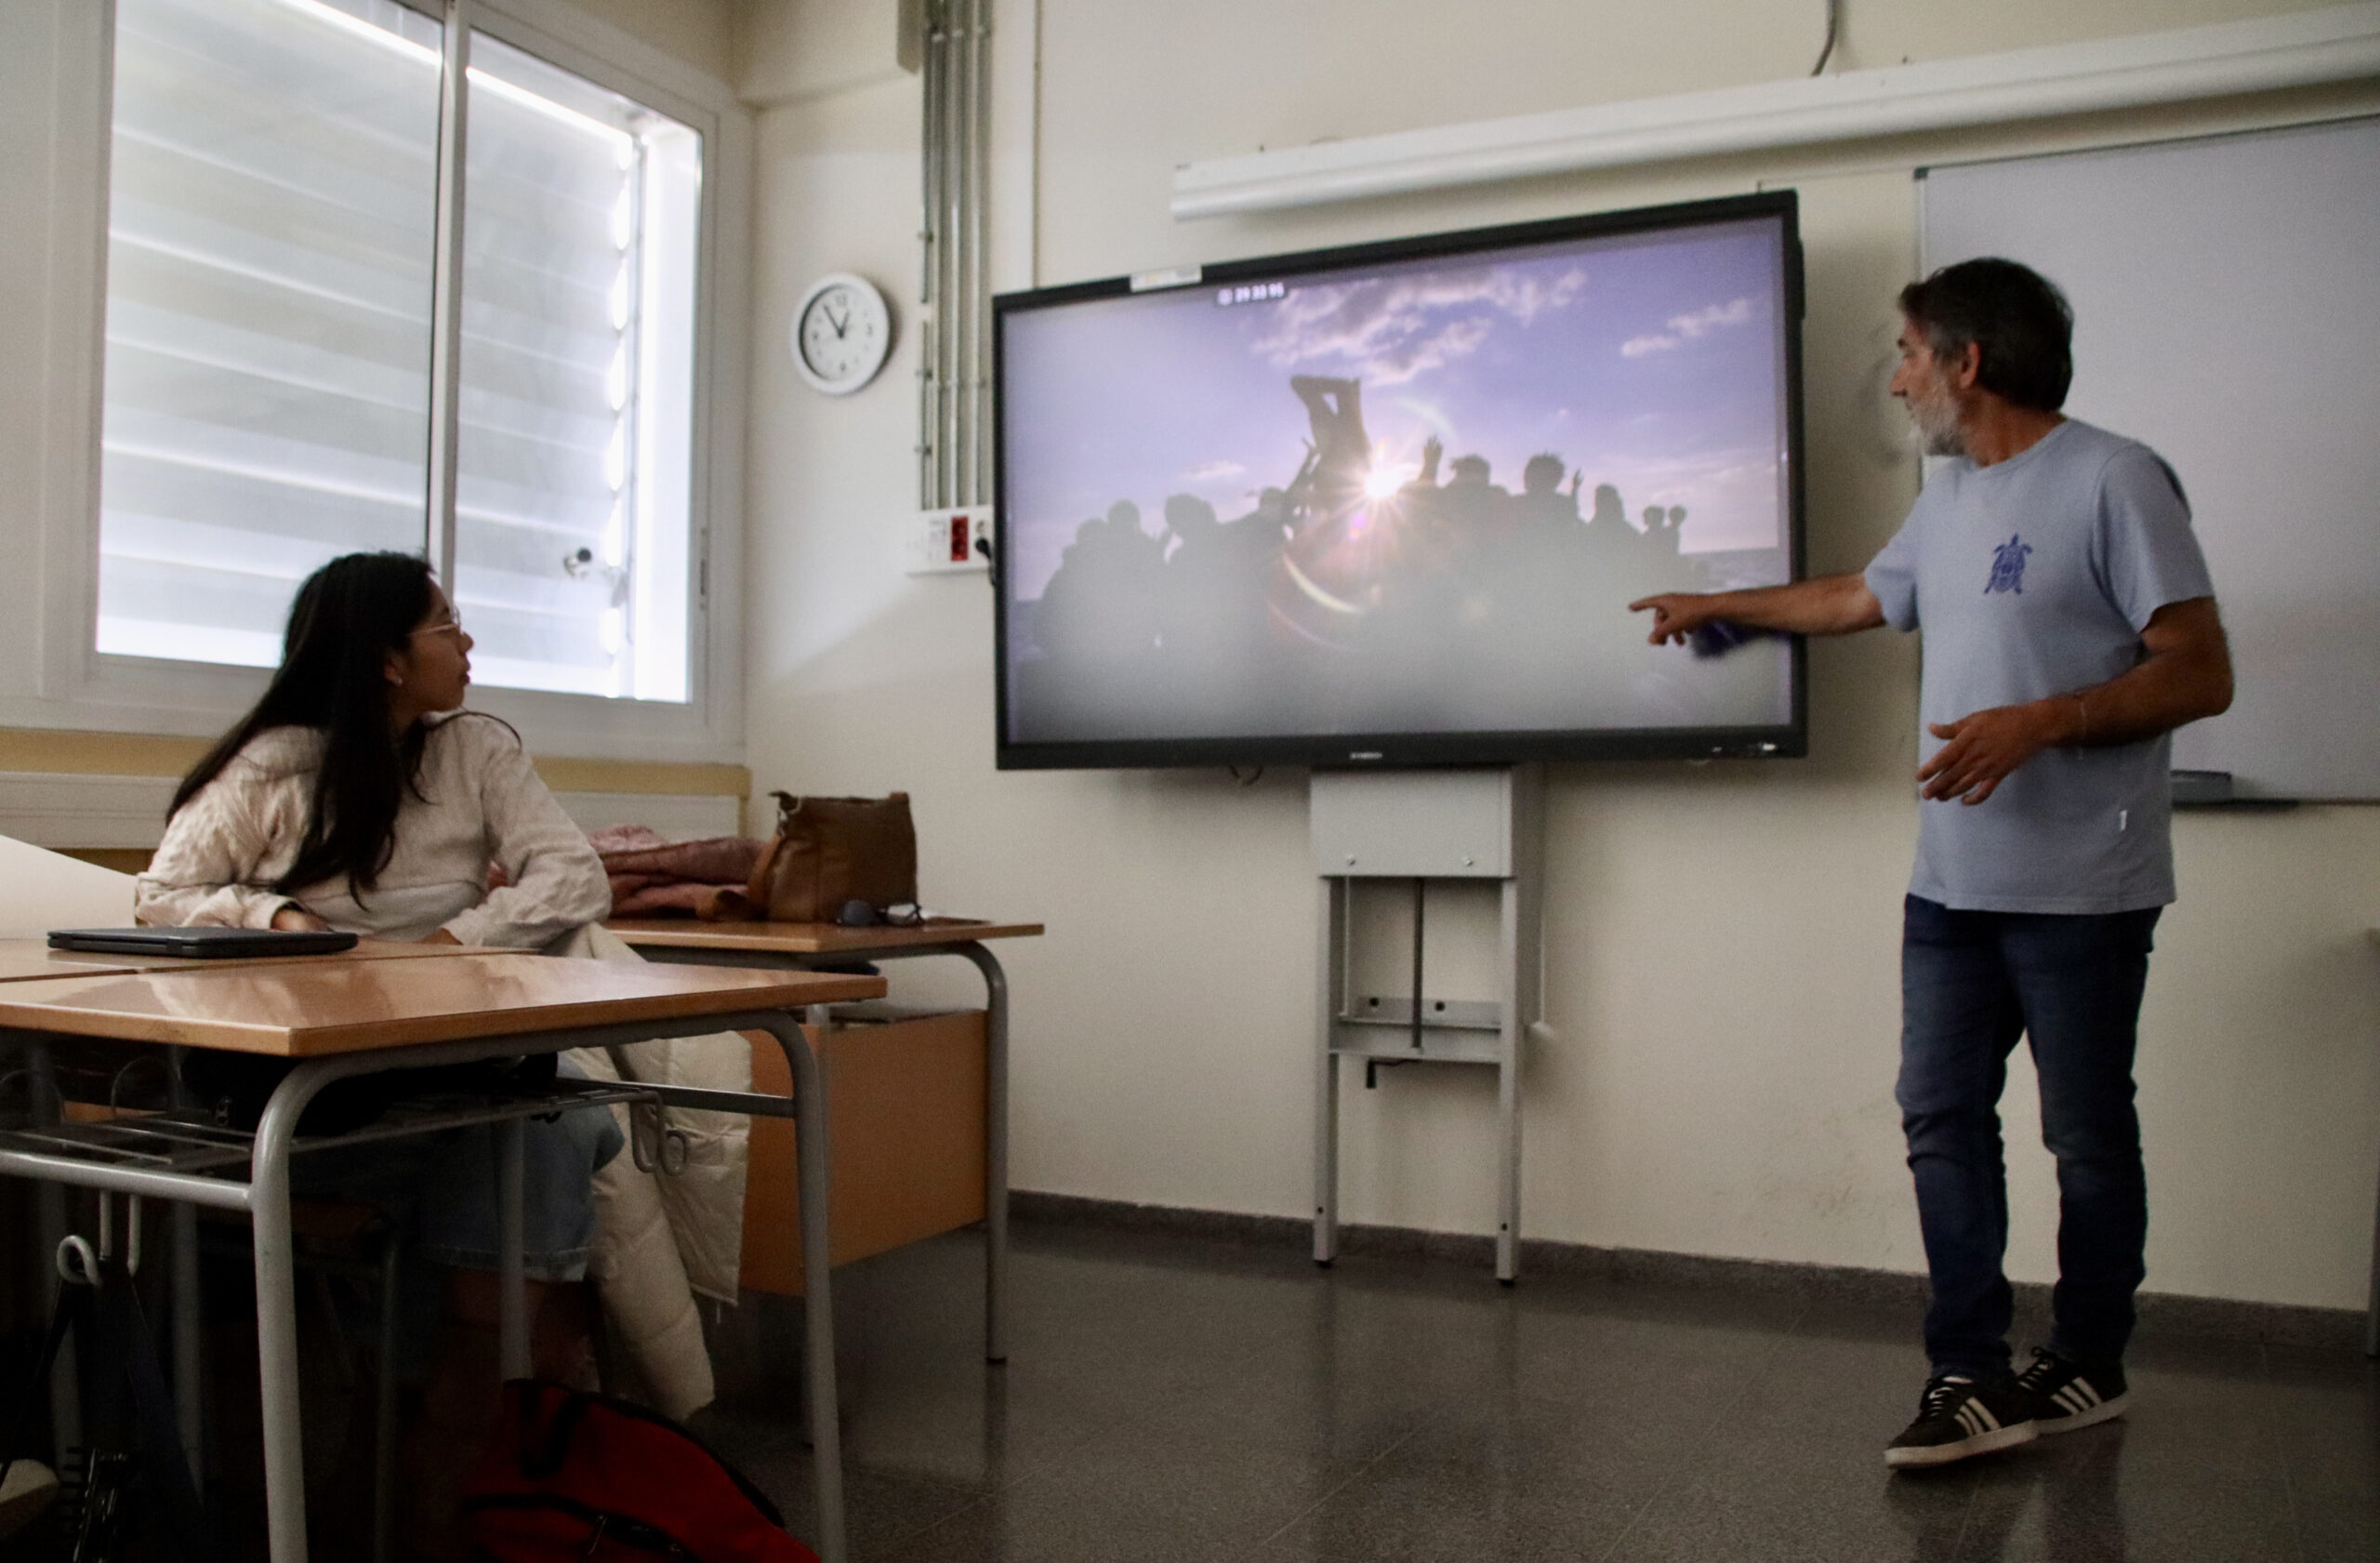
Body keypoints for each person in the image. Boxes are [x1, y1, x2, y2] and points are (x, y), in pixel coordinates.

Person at [1630, 258, 2233, 1470]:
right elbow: (1861, 597)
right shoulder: (1949, 497)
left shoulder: (2115, 478)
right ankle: (1969, 1370)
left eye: (1910, 353)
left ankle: (2089, 1358)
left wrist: (2042, 722)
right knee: (1940, 1118)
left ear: (1968, 360)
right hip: (1950, 882)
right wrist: (1722, 603)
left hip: (2082, 888)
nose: (1899, 381)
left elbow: (2199, 670)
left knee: (2084, 1137)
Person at [135, 551, 743, 1552]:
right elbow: (161, 895)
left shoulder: (474, 749)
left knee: (543, 1129)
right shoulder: (273, 767)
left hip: (461, 1055)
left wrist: (452, 942)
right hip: (320, 1080)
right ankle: (412, 1463)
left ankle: (433, 1460)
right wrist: (276, 915)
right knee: (541, 1137)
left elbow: (573, 876)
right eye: (447, 626)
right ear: (387, 659)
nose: (467, 644)